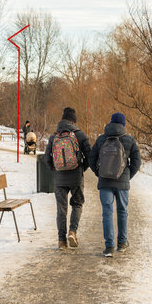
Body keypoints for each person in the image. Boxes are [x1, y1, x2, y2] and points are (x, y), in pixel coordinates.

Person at [89, 112, 141, 257]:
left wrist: (99, 173)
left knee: (107, 212)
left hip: (105, 181)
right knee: (122, 211)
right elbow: (137, 162)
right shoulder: (129, 140)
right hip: (122, 183)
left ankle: (109, 246)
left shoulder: (101, 139)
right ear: (124, 124)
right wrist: (127, 175)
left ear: (110, 123)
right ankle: (122, 243)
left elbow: (91, 159)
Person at [44, 107, 91, 250]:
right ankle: (72, 232)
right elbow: (90, 156)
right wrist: (81, 169)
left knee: (61, 209)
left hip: (59, 179)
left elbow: (46, 159)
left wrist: (56, 170)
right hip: (76, 177)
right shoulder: (80, 135)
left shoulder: (53, 137)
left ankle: (61, 241)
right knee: (77, 204)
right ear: (74, 121)